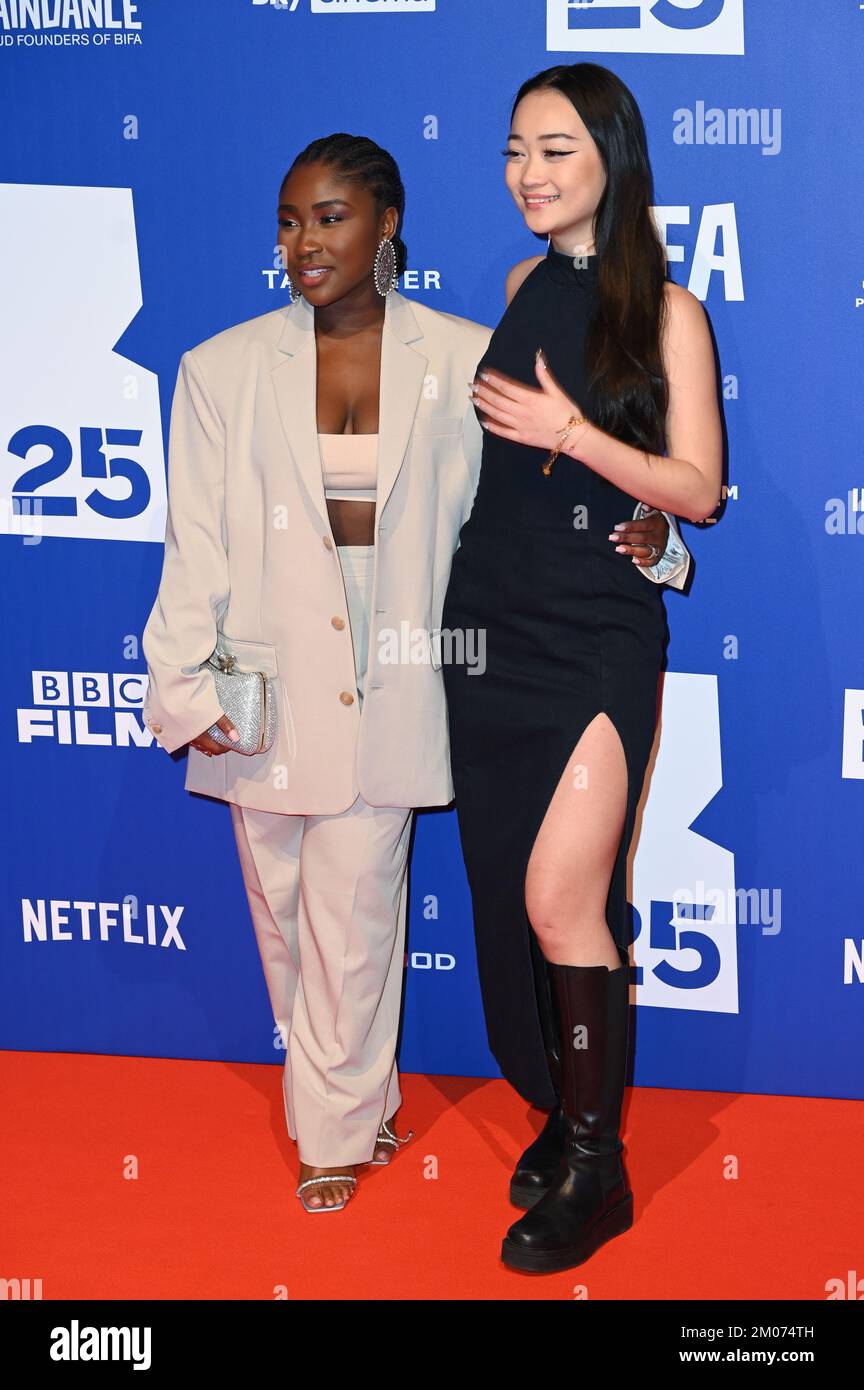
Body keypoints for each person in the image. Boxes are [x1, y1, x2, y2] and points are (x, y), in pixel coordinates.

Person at [141, 132, 687, 1216]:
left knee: (357, 909)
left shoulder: (465, 358)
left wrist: (656, 540)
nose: (306, 242)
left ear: (386, 225)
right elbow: (191, 541)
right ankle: (363, 1093)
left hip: (398, 678)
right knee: (285, 918)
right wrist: (186, 688)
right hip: (262, 684)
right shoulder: (221, 368)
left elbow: (551, 495)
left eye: (331, 217)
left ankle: (332, 1133)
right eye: (292, 221)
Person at [441, 63, 722, 1273]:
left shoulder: (669, 312)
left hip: (599, 634)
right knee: (521, 894)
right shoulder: (514, 287)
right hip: (490, 625)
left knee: (566, 893)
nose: (528, 174)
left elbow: (699, 492)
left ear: (612, 156)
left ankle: (598, 1172)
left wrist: (578, 436)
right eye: (515, 150)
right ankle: (565, 1110)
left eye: (555, 150)